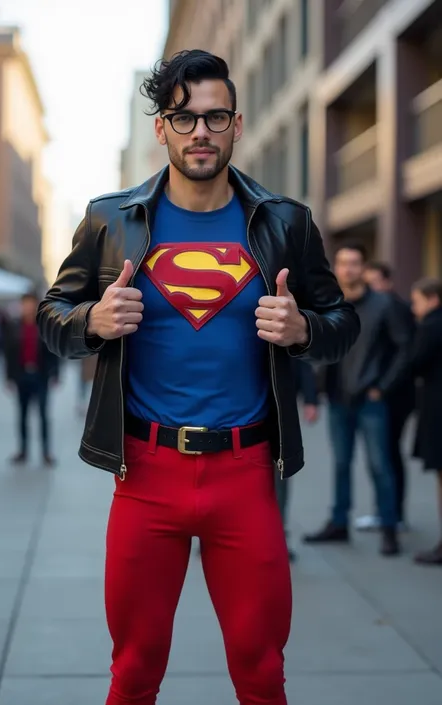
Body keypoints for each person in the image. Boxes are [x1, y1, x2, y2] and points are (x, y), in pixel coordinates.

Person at [37, 50, 359, 705]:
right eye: (184, 118)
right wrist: (94, 318)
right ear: (162, 128)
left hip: (245, 474)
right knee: (133, 672)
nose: (200, 132)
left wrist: (304, 331)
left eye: (214, 116)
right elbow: (53, 314)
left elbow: (340, 322)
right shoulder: (110, 219)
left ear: (237, 124)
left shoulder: (284, 221)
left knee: (262, 672)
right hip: (145, 474)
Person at [304, 242, 412, 556]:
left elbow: (404, 348)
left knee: (380, 465)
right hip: (337, 398)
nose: (348, 269)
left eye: (354, 263)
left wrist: (383, 386)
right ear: (335, 268)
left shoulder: (384, 305)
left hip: (370, 398)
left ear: (363, 268)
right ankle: (339, 523)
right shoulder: (329, 303)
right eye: (342, 263)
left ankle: (389, 528)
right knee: (340, 464)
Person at [358, 261, 415, 530]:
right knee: (387, 454)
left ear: (388, 282)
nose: (371, 289)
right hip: (383, 392)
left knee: (388, 455)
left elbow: (405, 353)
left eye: (375, 282)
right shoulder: (375, 307)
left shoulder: (396, 308)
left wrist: (383, 386)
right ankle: (388, 513)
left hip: (395, 395)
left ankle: (394, 515)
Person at [3, 292, 59, 466]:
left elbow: (53, 349)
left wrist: (55, 373)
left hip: (40, 376)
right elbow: (9, 353)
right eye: (25, 304)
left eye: (31, 304)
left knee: (43, 415)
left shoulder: (44, 325)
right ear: (21, 306)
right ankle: (23, 450)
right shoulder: (14, 326)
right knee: (22, 415)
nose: (28, 307)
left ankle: (45, 452)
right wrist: (9, 377)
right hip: (21, 377)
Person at [410, 277, 442, 565]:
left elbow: (415, 361)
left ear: (433, 300)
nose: (413, 308)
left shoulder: (432, 326)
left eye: (417, 301)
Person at [275, 359, 320, 562]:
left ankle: (278, 537)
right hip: (238, 408)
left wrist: (310, 398)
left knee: (279, 476)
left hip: (277, 408)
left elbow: (301, 356)